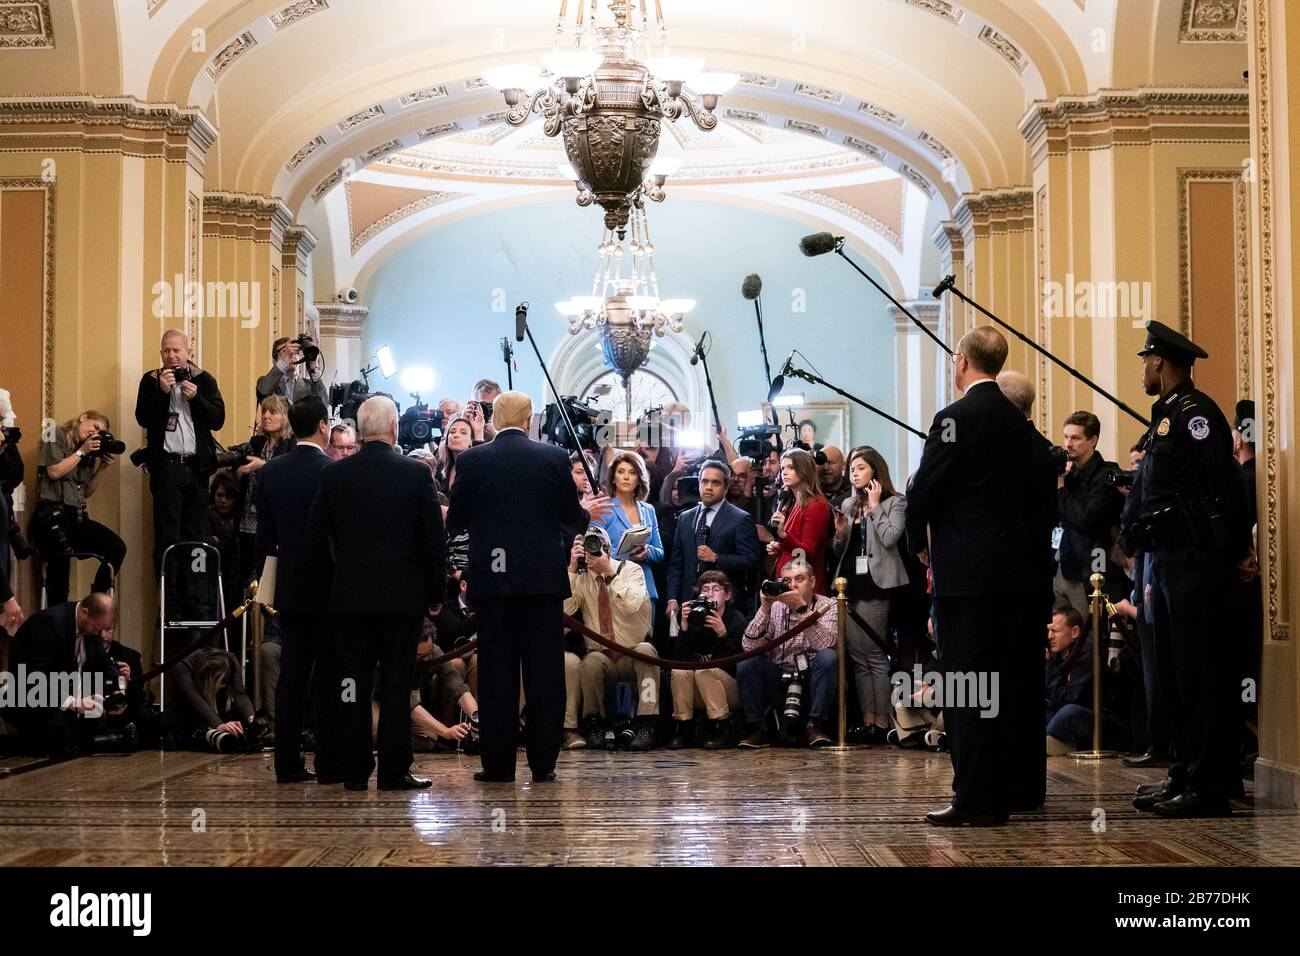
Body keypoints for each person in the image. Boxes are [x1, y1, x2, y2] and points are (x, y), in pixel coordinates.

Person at [906, 326, 1048, 827]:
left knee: (967, 687)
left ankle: (974, 799)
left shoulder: (953, 419)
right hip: (1016, 581)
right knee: (1008, 686)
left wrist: (917, 544)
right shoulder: (1023, 427)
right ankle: (1010, 790)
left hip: (965, 580)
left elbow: (924, 492)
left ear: (962, 360)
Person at [1124, 320, 1251, 818]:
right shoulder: (1166, 417)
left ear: (1160, 361)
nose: (1144, 367)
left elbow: (1227, 489)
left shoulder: (1197, 416)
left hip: (1198, 561)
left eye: (1146, 359)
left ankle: (1210, 783)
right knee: (1179, 674)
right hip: (1170, 559)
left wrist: (1238, 550)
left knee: (1203, 676)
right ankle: (1183, 771)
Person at [446, 391, 588, 783]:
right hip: (542, 584)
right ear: (530, 420)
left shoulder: (473, 460)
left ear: (496, 418)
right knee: (544, 675)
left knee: (496, 676)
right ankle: (543, 765)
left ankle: (498, 765)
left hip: (493, 586)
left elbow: (456, 519)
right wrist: (587, 513)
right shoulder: (555, 458)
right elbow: (570, 519)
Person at [307, 395, 446, 791]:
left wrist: (335, 582)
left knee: (352, 682)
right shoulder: (415, 474)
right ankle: (393, 770)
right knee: (398, 683)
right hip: (402, 600)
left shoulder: (334, 475)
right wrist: (436, 593)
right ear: (395, 427)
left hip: (350, 599)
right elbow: (432, 540)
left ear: (361, 431)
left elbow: (315, 537)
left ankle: (353, 769)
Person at [254, 395, 341, 785]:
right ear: (323, 425)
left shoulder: (271, 473)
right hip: (328, 586)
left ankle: (287, 763)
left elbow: (264, 538)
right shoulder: (334, 472)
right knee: (328, 674)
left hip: (288, 583)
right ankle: (328, 761)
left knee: (292, 673)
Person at [995, 368, 1061, 811]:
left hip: (1007, 582)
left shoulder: (1011, 451)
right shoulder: (1041, 450)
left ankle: (1008, 783)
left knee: (1006, 687)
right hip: (1034, 582)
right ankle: (1027, 786)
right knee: (1025, 686)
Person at [135, 330, 225, 605]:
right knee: (167, 535)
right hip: (167, 469)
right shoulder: (151, 381)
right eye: (166, 351)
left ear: (189, 352)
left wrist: (196, 398)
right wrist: (163, 393)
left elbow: (218, 419)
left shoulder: (204, 380)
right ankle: (169, 598)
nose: (171, 356)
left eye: (176, 350)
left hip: (196, 470)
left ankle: (195, 597)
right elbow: (143, 418)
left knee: (195, 535)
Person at [830, 445, 908, 744]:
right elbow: (841, 551)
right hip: (849, 584)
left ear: (875, 470)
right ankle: (867, 720)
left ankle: (884, 720)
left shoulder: (894, 502)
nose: (854, 472)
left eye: (860, 467)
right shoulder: (849, 504)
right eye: (852, 467)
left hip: (877, 584)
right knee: (856, 656)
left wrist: (875, 507)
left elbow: (890, 539)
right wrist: (839, 533)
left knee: (874, 654)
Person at [564, 526, 657, 750]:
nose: (592, 550)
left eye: (596, 544)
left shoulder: (631, 570)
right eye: (587, 546)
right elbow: (565, 611)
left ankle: (648, 721)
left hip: (631, 652)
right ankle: (595, 723)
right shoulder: (582, 578)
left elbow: (632, 604)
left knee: (647, 652)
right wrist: (571, 569)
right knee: (590, 663)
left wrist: (609, 574)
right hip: (601, 655)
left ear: (608, 548)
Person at [2, 593, 123, 758]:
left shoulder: (92, 629)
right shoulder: (48, 623)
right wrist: (74, 703)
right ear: (84, 613)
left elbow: (106, 666)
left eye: (105, 630)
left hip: (63, 697)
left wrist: (117, 690)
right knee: (61, 738)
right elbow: (35, 676)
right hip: (25, 696)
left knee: (90, 732)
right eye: (97, 628)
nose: (101, 635)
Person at [737, 559, 838, 747]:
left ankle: (815, 725)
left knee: (828, 657)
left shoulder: (829, 605)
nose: (792, 585)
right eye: (787, 580)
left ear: (813, 582)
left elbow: (826, 644)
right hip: (779, 677)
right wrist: (765, 608)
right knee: (747, 663)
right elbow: (749, 647)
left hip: (813, 679)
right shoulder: (776, 607)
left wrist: (801, 609)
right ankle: (758, 729)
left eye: (799, 579)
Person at [32, 411, 126, 605]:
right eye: (95, 427)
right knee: (60, 576)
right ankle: (57, 624)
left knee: (116, 547)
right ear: (83, 417)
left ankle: (95, 602)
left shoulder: (89, 451)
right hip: (51, 517)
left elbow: (87, 491)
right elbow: (54, 471)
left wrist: (102, 468)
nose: (95, 434)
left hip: (77, 518)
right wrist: (82, 451)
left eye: (100, 432)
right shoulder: (54, 434)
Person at [665, 459, 761, 619]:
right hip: (688, 602)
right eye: (705, 481)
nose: (709, 487)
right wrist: (672, 598)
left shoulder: (740, 519)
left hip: (726, 606)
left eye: (715, 482)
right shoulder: (685, 517)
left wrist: (716, 558)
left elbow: (751, 560)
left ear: (726, 486)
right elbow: (676, 564)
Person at [668, 570, 747, 749]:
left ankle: (723, 728)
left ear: (727, 595)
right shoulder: (693, 618)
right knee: (680, 672)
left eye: (716, 589)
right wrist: (684, 628)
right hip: (699, 686)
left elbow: (739, 665)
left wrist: (723, 635)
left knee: (705, 671)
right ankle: (684, 729)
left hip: (730, 687)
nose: (709, 594)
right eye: (705, 589)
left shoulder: (736, 619)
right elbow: (677, 660)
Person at [1054, 411, 1121, 613]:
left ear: (1093, 440)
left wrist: (1061, 489)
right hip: (1061, 564)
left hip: (1091, 568)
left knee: (1090, 637)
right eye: (1066, 437)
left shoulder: (1107, 475)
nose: (1068, 444)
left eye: (1075, 438)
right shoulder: (1068, 475)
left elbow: (1087, 519)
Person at [596, 450, 665, 618]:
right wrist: (624, 554)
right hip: (615, 586)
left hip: (646, 587)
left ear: (639, 478)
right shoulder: (602, 508)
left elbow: (660, 552)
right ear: (613, 477)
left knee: (646, 642)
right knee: (618, 643)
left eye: (632, 472)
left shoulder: (648, 510)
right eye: (621, 472)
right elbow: (593, 552)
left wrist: (647, 551)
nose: (626, 477)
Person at [236, 395, 295, 584]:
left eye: (273, 412)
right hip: (248, 517)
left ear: (285, 416)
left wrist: (263, 465)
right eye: (263, 411)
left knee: (268, 576)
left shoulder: (291, 445)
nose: (266, 416)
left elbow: (288, 477)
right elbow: (241, 476)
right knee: (246, 573)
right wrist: (238, 472)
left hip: (273, 519)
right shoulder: (255, 443)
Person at [170, 646, 264, 753]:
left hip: (214, 699)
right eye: (221, 681)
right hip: (188, 711)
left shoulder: (230, 660)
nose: (223, 685)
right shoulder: (182, 667)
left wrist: (251, 717)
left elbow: (239, 693)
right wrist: (219, 725)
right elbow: (194, 699)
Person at [767, 448, 831, 594]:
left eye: (791, 467)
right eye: (783, 468)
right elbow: (795, 545)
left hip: (805, 588)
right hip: (789, 583)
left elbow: (808, 552)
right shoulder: (795, 502)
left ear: (804, 470)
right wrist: (779, 548)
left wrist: (784, 536)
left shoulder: (816, 505)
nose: (784, 472)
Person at [256, 335, 326, 405]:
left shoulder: (309, 386)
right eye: (285, 351)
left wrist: (313, 365)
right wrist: (285, 361)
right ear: (274, 361)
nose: (292, 355)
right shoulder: (265, 382)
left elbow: (324, 404)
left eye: (296, 352)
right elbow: (263, 392)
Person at [434, 415, 474, 495]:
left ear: (471, 441)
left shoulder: (475, 468)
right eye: (452, 432)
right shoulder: (440, 467)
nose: (456, 435)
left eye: (463, 433)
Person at [465, 379, 501, 443]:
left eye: (491, 406)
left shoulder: (507, 426)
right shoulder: (466, 420)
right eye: (483, 406)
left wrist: (498, 435)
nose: (487, 410)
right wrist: (464, 425)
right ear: (473, 404)